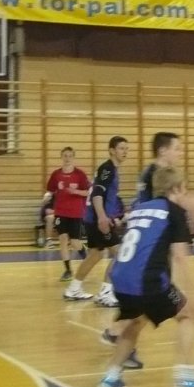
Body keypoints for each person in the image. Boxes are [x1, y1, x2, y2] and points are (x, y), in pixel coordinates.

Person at [97, 167, 194, 387]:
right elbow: (180, 256)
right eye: (184, 189)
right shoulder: (174, 211)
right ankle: (186, 374)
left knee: (135, 321)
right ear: (177, 188)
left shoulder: (140, 208)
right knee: (186, 315)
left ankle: (111, 376)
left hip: (120, 279)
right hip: (147, 280)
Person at [63, 137, 136, 322]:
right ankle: (105, 293)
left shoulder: (110, 169)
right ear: (111, 150)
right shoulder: (108, 168)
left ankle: (74, 289)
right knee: (120, 254)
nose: (125, 152)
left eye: (127, 149)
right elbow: (97, 193)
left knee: (95, 254)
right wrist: (103, 217)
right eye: (121, 148)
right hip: (97, 219)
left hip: (92, 218)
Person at [46, 147, 90, 280]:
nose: (67, 158)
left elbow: (87, 192)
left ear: (73, 158)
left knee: (75, 242)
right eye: (65, 156)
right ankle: (68, 270)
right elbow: (50, 189)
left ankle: (84, 252)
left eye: (70, 156)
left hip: (75, 213)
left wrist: (75, 191)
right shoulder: (56, 174)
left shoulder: (80, 174)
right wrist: (48, 197)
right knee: (63, 239)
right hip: (60, 212)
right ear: (61, 157)